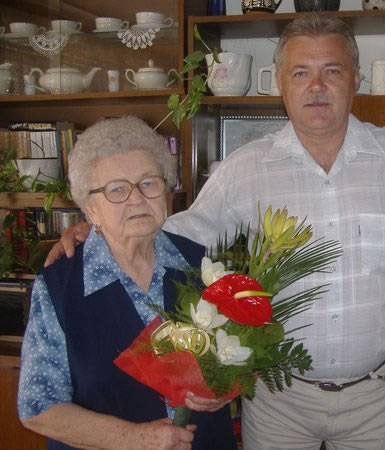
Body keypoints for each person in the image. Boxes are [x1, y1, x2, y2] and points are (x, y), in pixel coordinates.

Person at [46, 16, 385, 449]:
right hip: (278, 398)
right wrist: (95, 230)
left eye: (332, 71)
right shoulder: (244, 170)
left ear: (355, 78)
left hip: (376, 395)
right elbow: (171, 238)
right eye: (300, 73)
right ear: (279, 84)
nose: (316, 87)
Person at [18, 116, 237, 450]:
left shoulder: (202, 264)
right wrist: (134, 439)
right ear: (90, 209)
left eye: (148, 183)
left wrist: (224, 387)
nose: (136, 199)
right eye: (116, 189)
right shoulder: (60, 288)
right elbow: (38, 408)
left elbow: (238, 354)